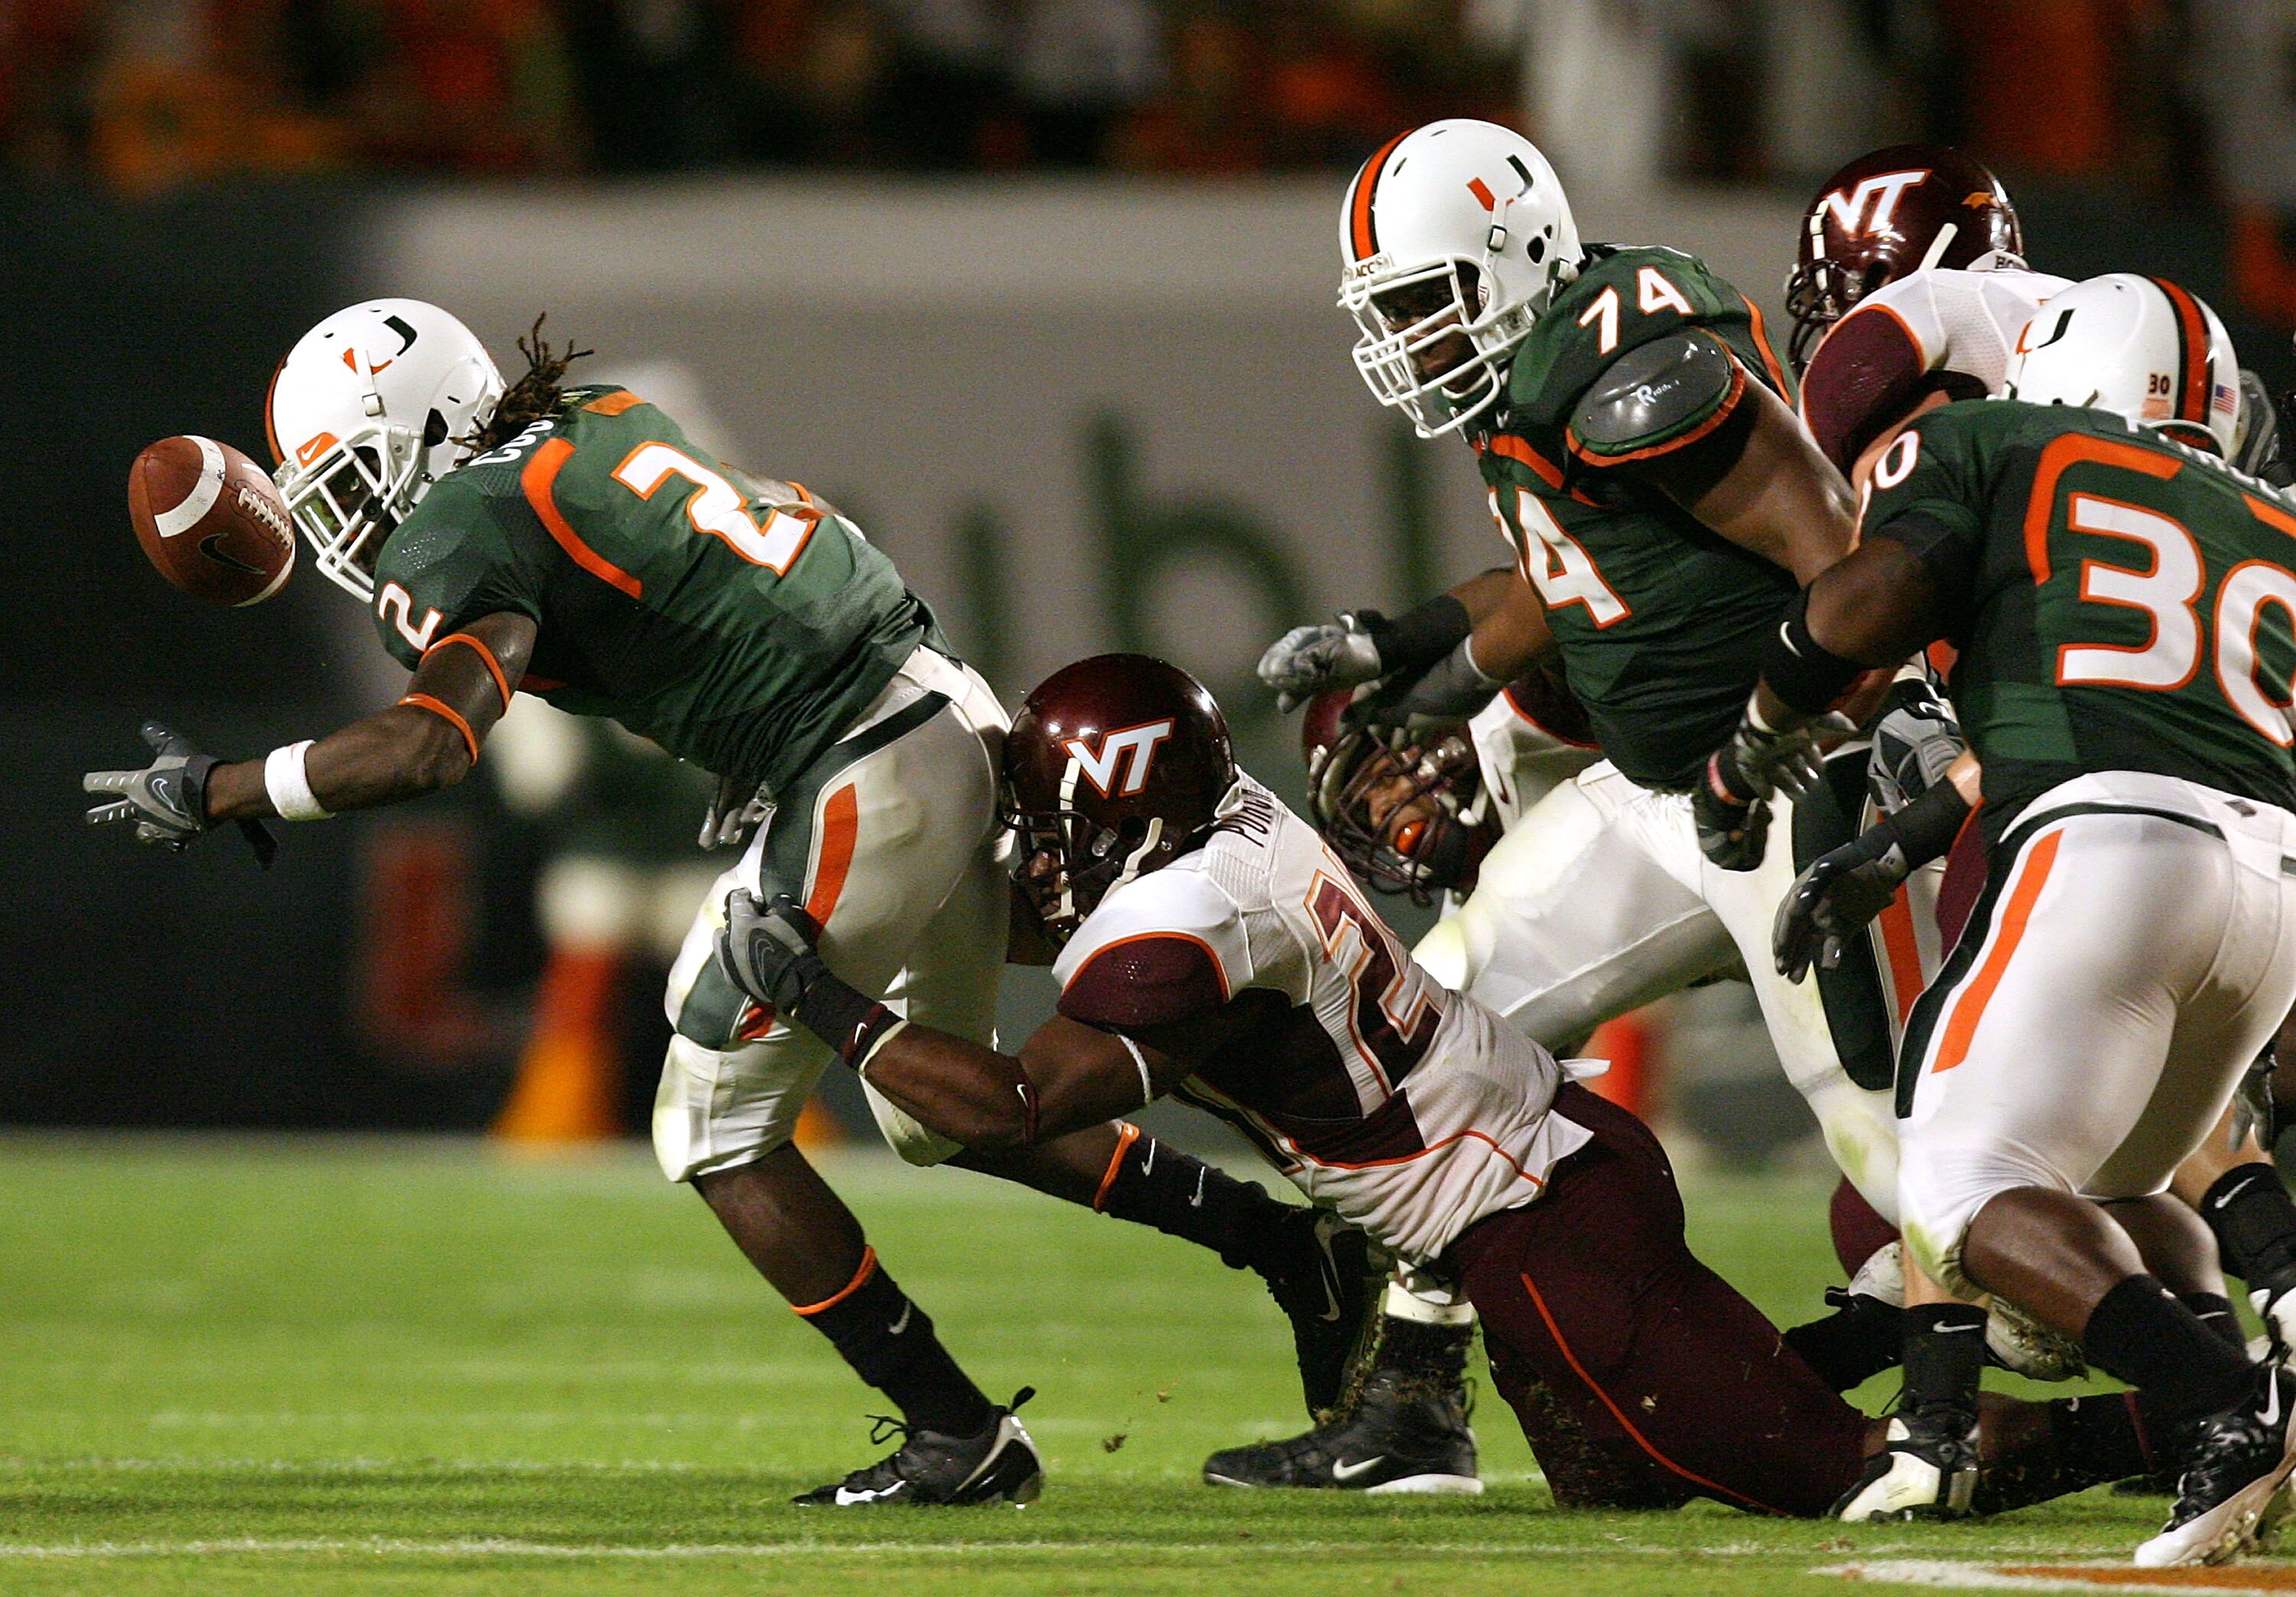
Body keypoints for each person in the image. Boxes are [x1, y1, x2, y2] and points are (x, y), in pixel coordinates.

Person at [82, 299, 1371, 1506]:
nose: (348, 528)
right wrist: (757, 740)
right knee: (935, 1114)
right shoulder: (597, 420)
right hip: (937, 702)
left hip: (863, 761)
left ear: (421, 432)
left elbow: (431, 744)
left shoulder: (464, 523)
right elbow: (796, 537)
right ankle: (1281, 1245)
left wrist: (227, 788)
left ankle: (955, 1433)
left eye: (354, 484)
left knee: (710, 1131)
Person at [710, 650, 2161, 1517]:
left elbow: (1015, 1105)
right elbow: (1048, 942)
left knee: (1845, 1480)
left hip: (1530, 1215)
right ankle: (1821, 1340)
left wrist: (821, 994)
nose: (1034, 847)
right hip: (1540, 1175)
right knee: (1626, 1478)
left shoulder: (1183, 927)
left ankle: (2187, 1418)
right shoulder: (1228, 831)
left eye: (1050, 816)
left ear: (1119, 815)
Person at [1249, 116, 2036, 1488]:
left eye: (1429, 304)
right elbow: (1569, 582)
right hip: (1652, 796)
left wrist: (1874, 717)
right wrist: (1405, 654)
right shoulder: (1534, 381)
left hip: (1781, 775)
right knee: (1437, 1024)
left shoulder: (1636, 364)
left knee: (1877, 1117)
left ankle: (2030, 1393)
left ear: (1515, 256)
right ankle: (1421, 1400)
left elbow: (1838, 552)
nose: (1413, 343)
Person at [1694, 274, 2296, 1568]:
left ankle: (2228, 1409)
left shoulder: (1996, 440)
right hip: (2274, 893)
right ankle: (2218, 1372)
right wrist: (1897, 846)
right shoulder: (2269, 521)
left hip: (2113, 853)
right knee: (2105, 1182)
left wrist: (1751, 748)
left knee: (1960, 1187)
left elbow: (1859, 607)